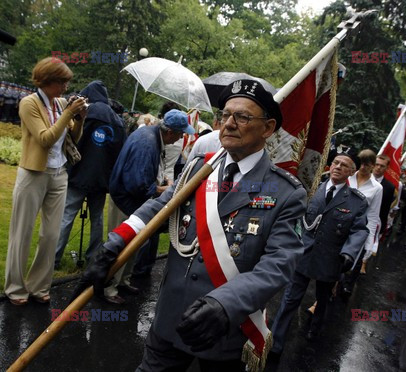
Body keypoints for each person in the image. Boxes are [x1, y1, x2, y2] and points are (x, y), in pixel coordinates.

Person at [73, 79, 307, 370]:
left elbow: (279, 264)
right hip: (170, 319)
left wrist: (226, 304)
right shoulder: (199, 169)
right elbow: (158, 208)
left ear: (268, 128)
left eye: (242, 117)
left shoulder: (286, 192)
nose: (229, 124)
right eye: (225, 115)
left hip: (225, 327)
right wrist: (115, 242)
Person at [4, 57, 87, 306]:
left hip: (59, 173)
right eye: (61, 82)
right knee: (22, 231)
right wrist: (68, 113)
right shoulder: (28, 103)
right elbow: (45, 139)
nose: (64, 88)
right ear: (47, 81)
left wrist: (79, 118)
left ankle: (39, 286)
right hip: (32, 174)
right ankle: (16, 288)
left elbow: (73, 136)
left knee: (51, 234)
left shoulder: (60, 103)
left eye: (65, 83)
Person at [271, 153, 368, 354]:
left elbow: (360, 230)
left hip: (331, 259)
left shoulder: (357, 201)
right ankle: (275, 343)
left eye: (344, 165)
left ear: (352, 172)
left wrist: (349, 253)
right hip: (303, 254)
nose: (338, 167)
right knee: (290, 299)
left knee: (323, 300)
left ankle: (315, 331)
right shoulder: (312, 188)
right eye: (336, 163)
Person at [102, 109, 194, 304]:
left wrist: (163, 182)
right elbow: (137, 184)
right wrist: (165, 190)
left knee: (133, 244)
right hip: (124, 200)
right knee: (121, 245)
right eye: (180, 133)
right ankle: (108, 288)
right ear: (169, 131)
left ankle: (123, 282)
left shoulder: (152, 136)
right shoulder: (147, 143)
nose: (181, 137)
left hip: (130, 200)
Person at [54, 80, 126, 269]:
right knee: (97, 219)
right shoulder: (117, 120)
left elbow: (72, 139)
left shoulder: (86, 111)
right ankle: (94, 257)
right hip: (101, 180)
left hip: (78, 174)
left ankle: (53, 258)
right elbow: (119, 152)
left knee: (67, 216)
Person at [345, 149, 383, 277]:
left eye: (366, 164)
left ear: (372, 165)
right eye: (360, 163)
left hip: (356, 229)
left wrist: (369, 243)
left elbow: (372, 216)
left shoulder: (377, 188)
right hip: (337, 225)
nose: (362, 167)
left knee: (345, 266)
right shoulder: (348, 177)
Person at [373, 154, 395, 236]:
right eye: (377, 164)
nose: (378, 167)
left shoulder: (389, 187)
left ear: (387, 168)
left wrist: (382, 228)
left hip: (374, 224)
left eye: (382, 166)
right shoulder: (362, 178)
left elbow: (385, 209)